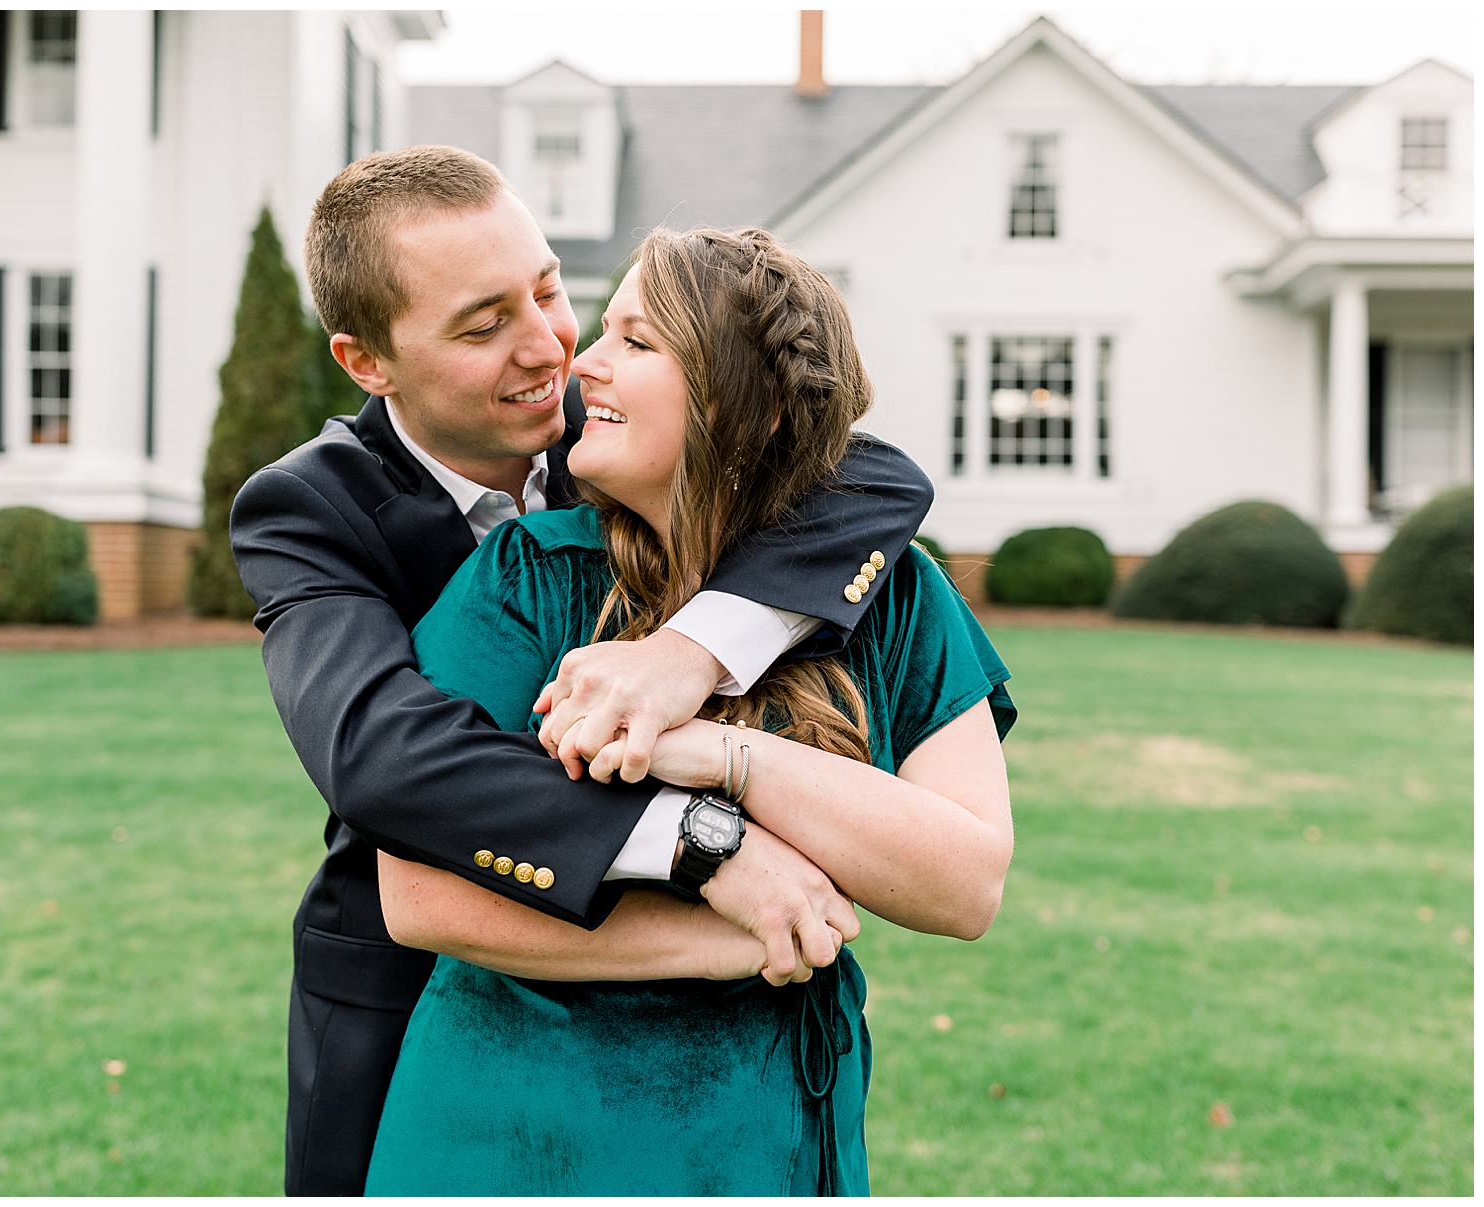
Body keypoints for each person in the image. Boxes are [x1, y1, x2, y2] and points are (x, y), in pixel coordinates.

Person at [230, 147, 936, 1196]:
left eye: (551, 289)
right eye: (483, 326)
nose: (550, 346)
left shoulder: (608, 425)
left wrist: (683, 655)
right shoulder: (308, 509)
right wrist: (702, 845)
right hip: (412, 976)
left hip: (687, 1046)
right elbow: (382, 753)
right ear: (366, 360)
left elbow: (871, 475)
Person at [363, 226, 1017, 1196]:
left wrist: (724, 756)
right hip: (509, 1138)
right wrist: (736, 937)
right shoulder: (524, 580)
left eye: (637, 340)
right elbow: (421, 895)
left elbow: (964, 885)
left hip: (770, 1142)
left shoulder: (896, 598)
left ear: (737, 406)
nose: (584, 361)